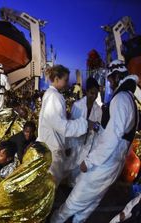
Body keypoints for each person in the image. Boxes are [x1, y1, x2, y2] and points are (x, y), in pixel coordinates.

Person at [51, 60, 139, 223]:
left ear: (117, 76)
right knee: (91, 202)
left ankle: (55, 220)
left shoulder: (121, 100)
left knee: (75, 200)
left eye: (111, 79)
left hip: (103, 163)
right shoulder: (129, 99)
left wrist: (90, 161)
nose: (110, 83)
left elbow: (112, 137)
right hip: (110, 164)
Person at [37, 65, 89, 186]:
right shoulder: (54, 96)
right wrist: (84, 124)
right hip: (52, 147)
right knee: (51, 185)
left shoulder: (51, 94)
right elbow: (62, 126)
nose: (67, 83)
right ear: (56, 79)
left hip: (51, 144)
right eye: (65, 80)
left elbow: (55, 119)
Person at [66, 77, 102, 186]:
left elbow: (98, 130)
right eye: (92, 93)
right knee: (70, 172)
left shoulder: (98, 110)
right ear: (87, 91)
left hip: (88, 146)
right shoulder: (77, 105)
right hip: (75, 144)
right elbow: (71, 126)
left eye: (96, 94)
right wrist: (67, 145)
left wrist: (95, 150)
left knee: (81, 177)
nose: (94, 96)